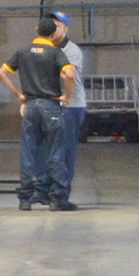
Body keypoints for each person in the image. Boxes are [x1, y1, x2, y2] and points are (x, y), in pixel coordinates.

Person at [0, 15, 78, 210]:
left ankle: (25, 199)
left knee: (28, 152)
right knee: (56, 153)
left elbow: (1, 73)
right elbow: (70, 75)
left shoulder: (22, 53)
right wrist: (67, 96)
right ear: (52, 34)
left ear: (36, 30)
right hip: (50, 106)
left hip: (30, 107)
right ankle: (57, 199)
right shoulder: (56, 53)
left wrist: (18, 94)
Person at [51, 11, 87, 196]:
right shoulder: (48, 49)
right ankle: (49, 191)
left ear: (65, 29)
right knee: (49, 152)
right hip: (52, 105)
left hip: (71, 106)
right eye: (50, 25)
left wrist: (43, 66)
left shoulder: (71, 51)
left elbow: (68, 76)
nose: (53, 29)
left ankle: (61, 194)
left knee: (65, 152)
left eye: (57, 26)